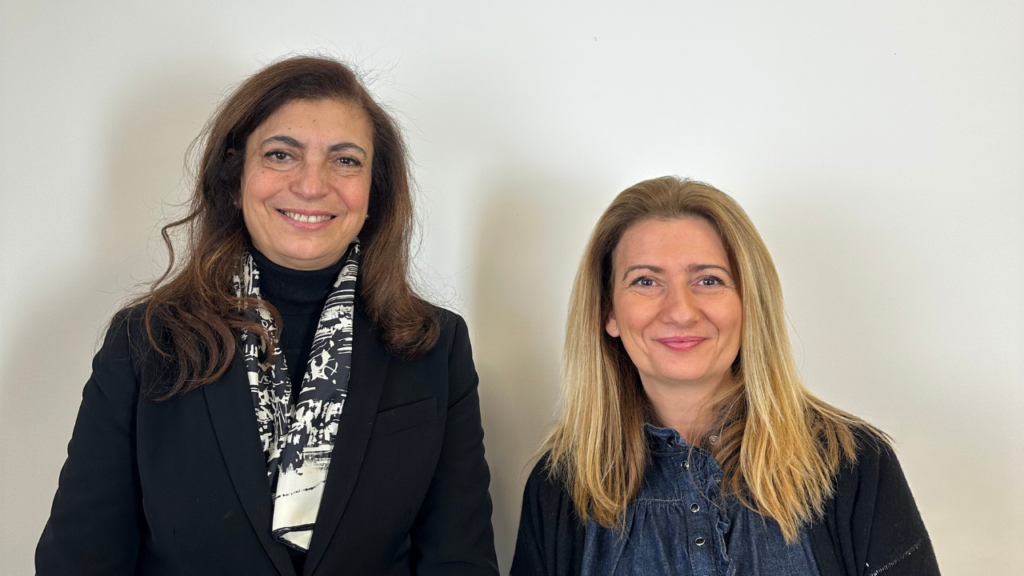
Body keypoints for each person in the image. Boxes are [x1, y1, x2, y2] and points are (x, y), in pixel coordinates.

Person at [36, 56, 498, 576]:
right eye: (281, 154)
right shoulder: (145, 342)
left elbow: (459, 558)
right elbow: (79, 560)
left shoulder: (436, 345)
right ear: (235, 178)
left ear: (375, 191)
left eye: (346, 160)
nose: (312, 185)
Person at [510, 177, 939, 576]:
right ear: (609, 311)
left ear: (750, 303)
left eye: (708, 280)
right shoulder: (560, 488)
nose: (680, 311)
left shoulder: (851, 463)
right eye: (645, 281)